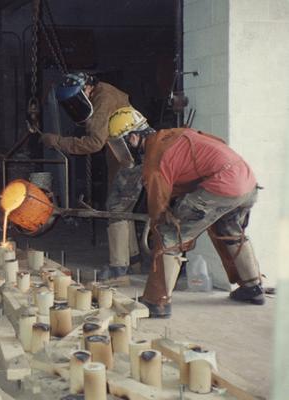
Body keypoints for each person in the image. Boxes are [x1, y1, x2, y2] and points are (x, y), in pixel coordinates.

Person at [107, 106, 263, 318]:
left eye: (122, 143)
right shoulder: (173, 135)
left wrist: (158, 225)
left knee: (169, 234)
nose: (123, 149)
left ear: (133, 137)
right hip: (246, 181)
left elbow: (158, 203)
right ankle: (253, 287)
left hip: (223, 184)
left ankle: (156, 302)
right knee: (229, 229)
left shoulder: (155, 157)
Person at [41, 72, 143, 279]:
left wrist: (58, 141)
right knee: (125, 208)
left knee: (116, 209)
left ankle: (118, 267)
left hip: (130, 158)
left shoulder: (103, 99)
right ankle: (133, 260)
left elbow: (94, 142)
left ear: (87, 88)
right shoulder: (104, 91)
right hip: (126, 156)